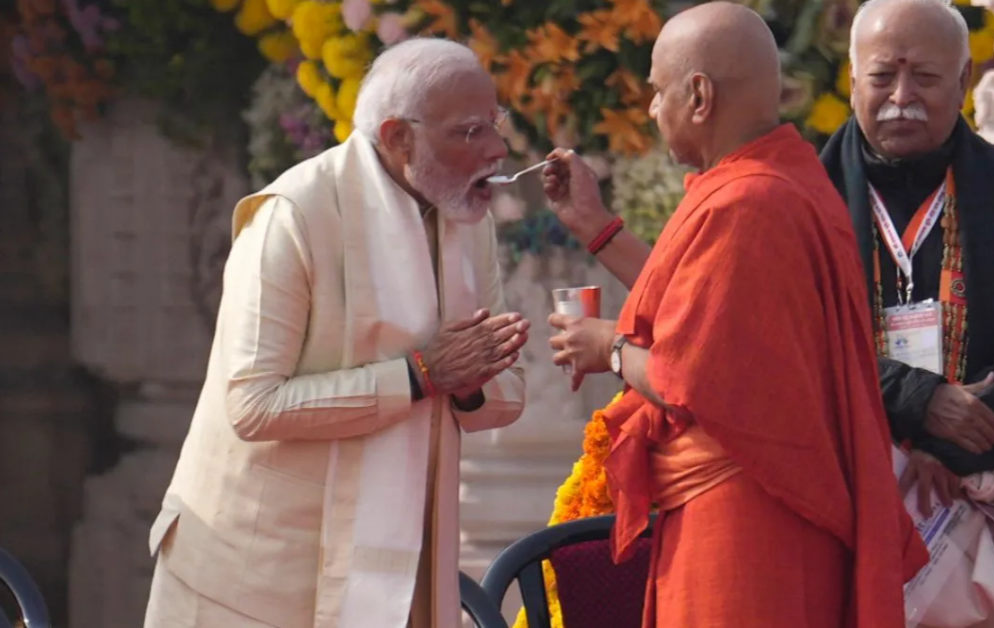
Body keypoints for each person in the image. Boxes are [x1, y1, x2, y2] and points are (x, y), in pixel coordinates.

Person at [542, 3, 928, 627]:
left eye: (659, 91)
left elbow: (688, 376)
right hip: (766, 508)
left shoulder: (748, 201)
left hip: (746, 523)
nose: (652, 109)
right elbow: (707, 314)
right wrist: (595, 225)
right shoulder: (778, 182)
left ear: (699, 96)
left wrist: (609, 348)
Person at [143, 38, 528, 628]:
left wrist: (468, 382)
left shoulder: (465, 219)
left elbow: (503, 392)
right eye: (470, 132)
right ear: (398, 138)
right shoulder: (294, 215)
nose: (497, 150)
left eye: (494, 125)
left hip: (403, 563)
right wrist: (419, 376)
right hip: (257, 579)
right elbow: (252, 405)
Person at [819, 0, 994, 625]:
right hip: (853, 513)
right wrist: (918, 402)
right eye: (882, 76)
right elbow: (791, 348)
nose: (901, 97)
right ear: (854, 78)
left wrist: (952, 441)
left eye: (925, 77)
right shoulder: (805, 200)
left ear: (964, 80)